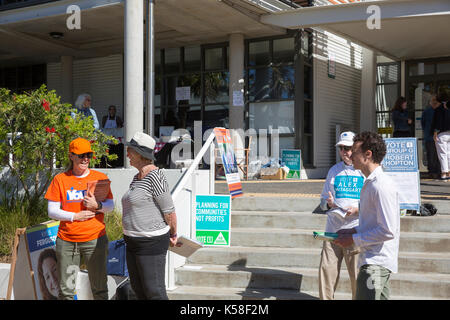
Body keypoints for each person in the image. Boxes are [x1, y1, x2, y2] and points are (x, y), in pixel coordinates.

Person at [44, 137, 114, 300]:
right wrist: (75, 216)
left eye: (89, 155)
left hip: (95, 239)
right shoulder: (60, 179)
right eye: (81, 155)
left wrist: (97, 206)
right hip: (67, 241)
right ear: (71, 156)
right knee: (67, 291)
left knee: (100, 289)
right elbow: (52, 211)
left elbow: (110, 206)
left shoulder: (99, 177)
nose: (86, 159)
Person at [334, 131, 400, 300]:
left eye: (354, 151)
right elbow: (373, 223)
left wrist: (353, 239)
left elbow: (387, 231)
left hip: (376, 263)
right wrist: (352, 231)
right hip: (373, 261)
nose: (350, 155)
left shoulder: (380, 186)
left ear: (367, 154)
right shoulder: (371, 183)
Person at [121, 131, 179, 300]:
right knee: (139, 292)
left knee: (155, 293)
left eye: (130, 151)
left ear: (140, 154)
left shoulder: (156, 176)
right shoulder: (136, 177)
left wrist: (173, 233)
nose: (127, 154)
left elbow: (169, 212)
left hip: (150, 243)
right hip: (132, 241)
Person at [318, 131, 364, 300]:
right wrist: (327, 203)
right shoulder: (333, 170)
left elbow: (373, 202)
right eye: (342, 148)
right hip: (332, 229)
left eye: (349, 148)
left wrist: (358, 209)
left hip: (355, 231)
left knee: (357, 276)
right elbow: (323, 201)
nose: (345, 152)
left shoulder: (364, 171)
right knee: (326, 272)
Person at [430, 92, 450, 181]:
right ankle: (448, 172)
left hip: (441, 134)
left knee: (442, 153)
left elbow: (437, 122)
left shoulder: (439, 109)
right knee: (449, 153)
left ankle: (444, 173)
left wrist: (435, 133)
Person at [421, 95, 441, 179]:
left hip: (429, 136)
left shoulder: (426, 111)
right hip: (438, 136)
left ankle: (432, 172)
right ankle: (438, 171)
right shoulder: (440, 111)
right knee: (437, 155)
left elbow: (423, 123)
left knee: (431, 155)